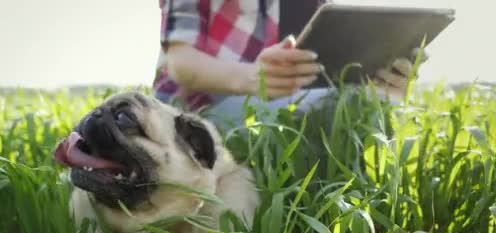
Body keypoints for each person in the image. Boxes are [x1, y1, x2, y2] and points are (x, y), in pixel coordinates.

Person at [152, 0, 420, 131]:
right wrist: (251, 78)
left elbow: (323, 62)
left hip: (289, 100)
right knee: (336, 110)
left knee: (373, 109)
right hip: (200, 109)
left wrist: (378, 79)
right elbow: (181, 62)